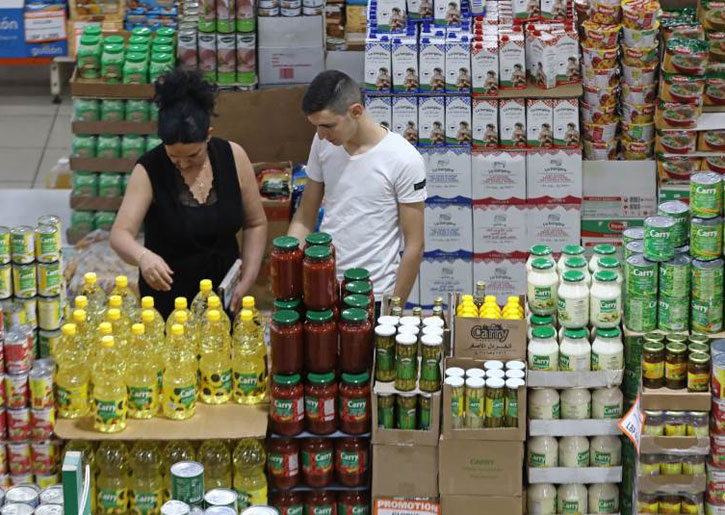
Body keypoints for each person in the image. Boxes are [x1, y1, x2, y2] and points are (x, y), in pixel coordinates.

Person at [110, 70, 267, 318]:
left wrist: (248, 277)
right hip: (171, 302)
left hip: (224, 296)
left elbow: (255, 223)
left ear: (209, 135)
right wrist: (143, 257)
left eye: (193, 156)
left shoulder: (233, 157)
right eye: (174, 157)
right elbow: (120, 234)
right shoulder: (149, 169)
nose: (183, 164)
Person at [288, 70, 426, 307]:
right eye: (316, 127)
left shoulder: (403, 158)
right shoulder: (323, 144)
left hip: (375, 294)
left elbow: (415, 245)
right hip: (324, 288)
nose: (321, 135)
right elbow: (305, 215)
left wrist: (394, 309)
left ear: (356, 111)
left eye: (327, 125)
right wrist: (288, 271)